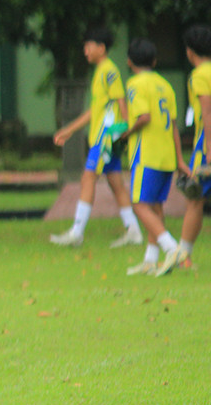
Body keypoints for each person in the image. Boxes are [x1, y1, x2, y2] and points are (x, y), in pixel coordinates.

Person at [51, 27, 143, 248]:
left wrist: (127, 130)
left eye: (88, 46)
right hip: (105, 136)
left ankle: (77, 232)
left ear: (101, 48)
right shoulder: (100, 71)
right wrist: (70, 129)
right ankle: (134, 231)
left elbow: (121, 100)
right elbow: (96, 110)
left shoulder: (109, 71)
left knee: (88, 178)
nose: (85, 51)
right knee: (115, 182)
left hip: (107, 137)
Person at [118, 38, 185, 275]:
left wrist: (126, 133)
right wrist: (179, 159)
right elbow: (174, 124)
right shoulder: (165, 84)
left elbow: (143, 117)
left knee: (139, 204)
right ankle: (151, 259)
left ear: (129, 61)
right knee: (155, 206)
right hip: (166, 153)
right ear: (155, 61)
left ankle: (172, 247)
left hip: (146, 153)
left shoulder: (135, 83)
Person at [155, 24, 211, 276]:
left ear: (190, 51)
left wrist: (209, 149)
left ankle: (182, 253)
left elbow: (208, 113)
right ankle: (183, 252)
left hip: (206, 140)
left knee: (195, 197)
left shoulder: (200, 74)